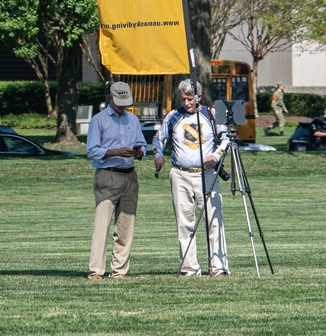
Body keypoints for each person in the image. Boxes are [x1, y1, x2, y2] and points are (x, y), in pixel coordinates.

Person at [153, 79, 230, 276]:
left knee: (213, 220)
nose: (187, 103)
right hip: (180, 174)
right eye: (184, 99)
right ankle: (190, 267)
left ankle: (219, 266)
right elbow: (158, 138)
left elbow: (227, 138)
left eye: (190, 99)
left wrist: (216, 155)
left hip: (206, 174)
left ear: (199, 97)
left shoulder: (211, 115)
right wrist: (158, 154)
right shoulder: (173, 116)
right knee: (184, 222)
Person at [86, 82, 145, 280]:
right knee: (102, 225)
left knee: (126, 226)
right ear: (111, 97)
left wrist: (139, 152)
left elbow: (143, 145)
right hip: (107, 174)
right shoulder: (98, 120)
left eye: (125, 103)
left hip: (130, 174)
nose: (123, 106)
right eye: (119, 102)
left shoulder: (134, 120)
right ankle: (96, 270)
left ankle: (119, 270)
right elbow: (92, 151)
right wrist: (115, 151)